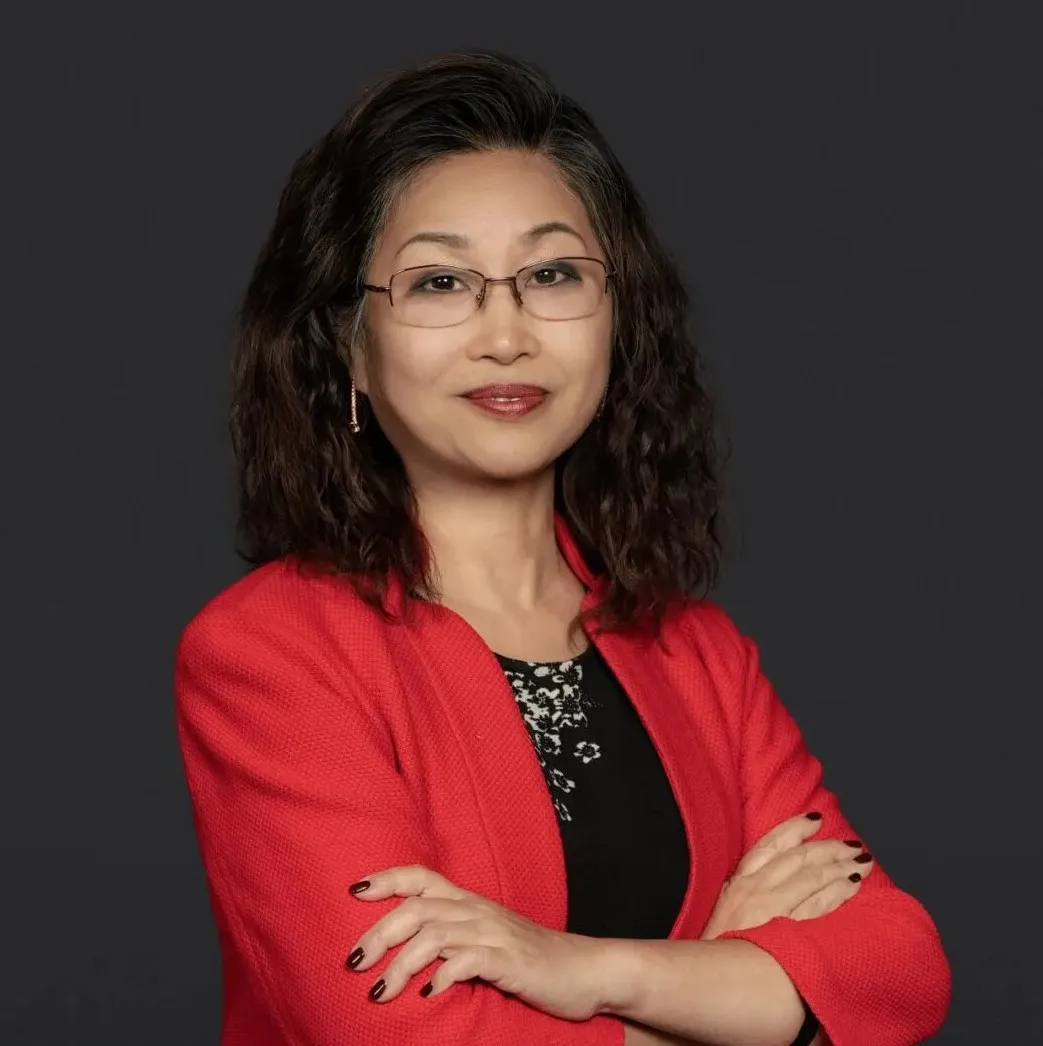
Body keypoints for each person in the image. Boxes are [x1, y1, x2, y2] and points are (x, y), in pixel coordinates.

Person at [174, 51, 951, 1046]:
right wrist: (718, 985)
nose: (506, 334)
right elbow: (407, 1037)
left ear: (615, 319)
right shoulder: (271, 654)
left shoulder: (695, 651)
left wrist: (581, 969)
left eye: (551, 275)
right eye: (440, 281)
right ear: (350, 348)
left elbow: (899, 971)